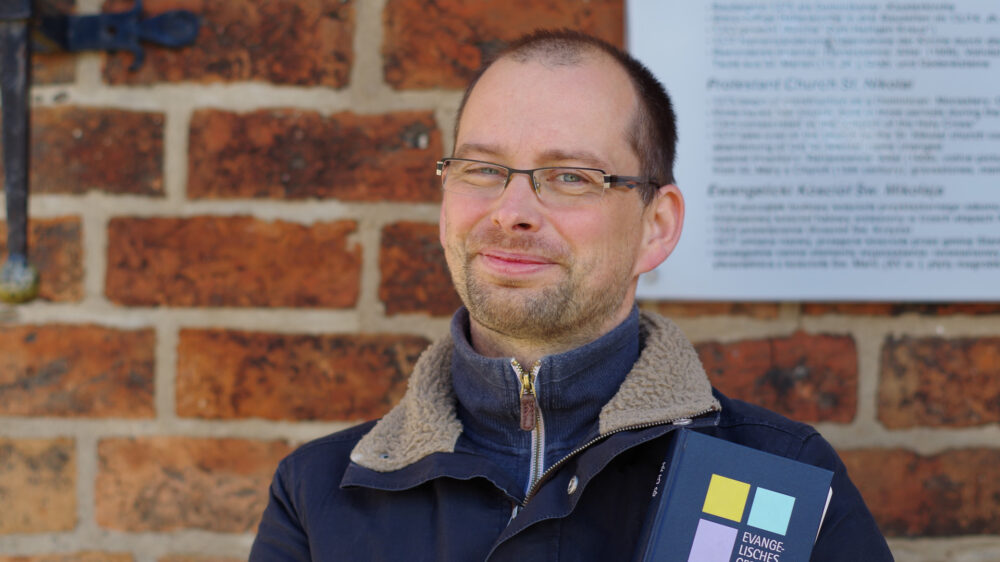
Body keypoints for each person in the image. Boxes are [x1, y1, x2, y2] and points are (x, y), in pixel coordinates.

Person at [250, 29, 893, 561]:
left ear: (655, 226)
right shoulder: (321, 496)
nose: (512, 211)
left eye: (569, 176)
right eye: (482, 169)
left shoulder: (779, 477)